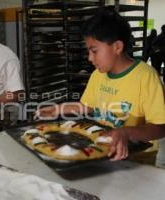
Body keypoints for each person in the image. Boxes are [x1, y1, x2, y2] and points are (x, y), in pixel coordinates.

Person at [38, 7, 165, 161]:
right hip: (104, 152)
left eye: (94, 51)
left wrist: (126, 132)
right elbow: (87, 106)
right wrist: (57, 109)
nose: (90, 58)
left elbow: (159, 128)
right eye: (89, 52)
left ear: (117, 47)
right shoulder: (98, 75)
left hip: (137, 160)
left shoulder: (146, 77)